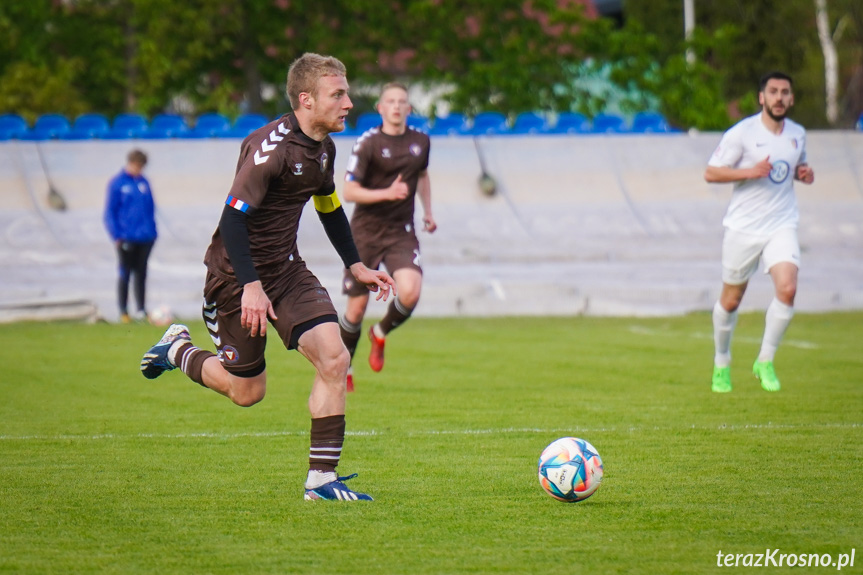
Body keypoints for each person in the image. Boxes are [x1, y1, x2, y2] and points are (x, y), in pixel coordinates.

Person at [139, 53, 396, 501]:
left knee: (334, 359)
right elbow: (233, 219)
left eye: (347, 92)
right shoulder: (271, 149)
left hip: (286, 270)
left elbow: (329, 205)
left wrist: (354, 264)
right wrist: (251, 287)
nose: (349, 103)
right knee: (247, 392)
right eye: (338, 94)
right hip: (235, 278)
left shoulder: (324, 149)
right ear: (306, 100)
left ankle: (321, 482)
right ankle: (178, 349)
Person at [704, 71, 815, 393]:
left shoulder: (797, 134)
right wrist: (750, 171)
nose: (779, 97)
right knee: (731, 299)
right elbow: (711, 172)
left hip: (782, 223)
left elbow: (794, 168)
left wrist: (804, 173)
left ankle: (765, 359)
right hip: (743, 227)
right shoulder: (742, 133)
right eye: (773, 91)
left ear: (791, 99)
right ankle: (721, 362)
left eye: (785, 92)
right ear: (761, 98)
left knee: (788, 288)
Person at [338, 82, 436, 391]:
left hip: (400, 231)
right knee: (355, 309)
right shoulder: (367, 143)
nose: (396, 106)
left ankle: (379, 333)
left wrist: (428, 211)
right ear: (380, 108)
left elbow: (421, 175)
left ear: (409, 108)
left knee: (410, 291)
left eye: (402, 101)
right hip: (364, 233)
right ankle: (345, 366)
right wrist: (388, 193)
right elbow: (349, 191)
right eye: (390, 101)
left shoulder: (421, 141)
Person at [103, 149, 157, 323]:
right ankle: (123, 311)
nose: (138, 169)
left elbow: (150, 209)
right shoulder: (117, 183)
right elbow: (110, 212)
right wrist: (116, 235)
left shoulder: (144, 182)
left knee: (141, 274)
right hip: (126, 237)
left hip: (145, 237)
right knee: (125, 273)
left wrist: (153, 231)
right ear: (130, 163)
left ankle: (141, 310)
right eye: (137, 165)